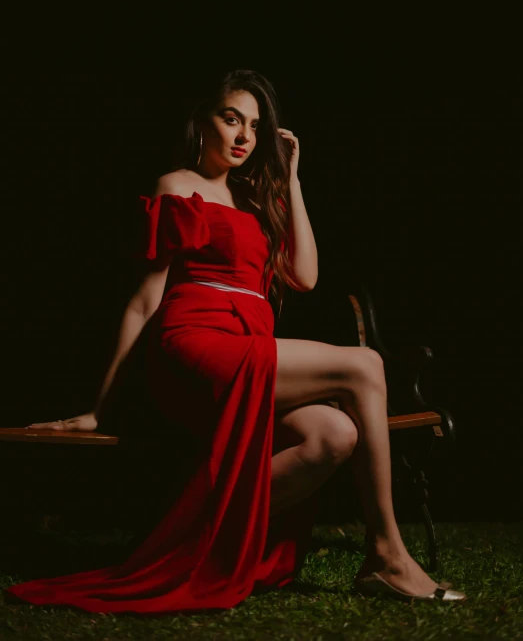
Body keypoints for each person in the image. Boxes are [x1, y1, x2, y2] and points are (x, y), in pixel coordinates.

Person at [5, 69, 465, 613]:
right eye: (231, 119)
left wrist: (292, 181)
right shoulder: (177, 186)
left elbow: (306, 276)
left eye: (254, 125)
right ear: (202, 123)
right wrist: (102, 408)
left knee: (334, 435)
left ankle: (191, 537)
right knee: (364, 364)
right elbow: (145, 300)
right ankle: (387, 555)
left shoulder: (254, 200)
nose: (244, 135)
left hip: (247, 345)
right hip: (195, 343)